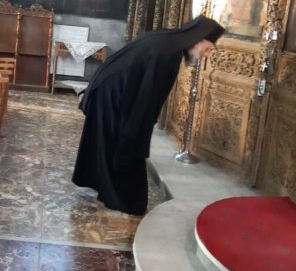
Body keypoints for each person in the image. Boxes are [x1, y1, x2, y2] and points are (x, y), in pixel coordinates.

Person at [72, 16, 224, 215]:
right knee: (121, 141)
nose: (206, 54)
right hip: (112, 92)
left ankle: (100, 183)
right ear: (197, 40)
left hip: (109, 88)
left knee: (108, 139)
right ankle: (120, 198)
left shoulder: (167, 40)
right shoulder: (169, 53)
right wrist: (136, 129)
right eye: (208, 48)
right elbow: (148, 96)